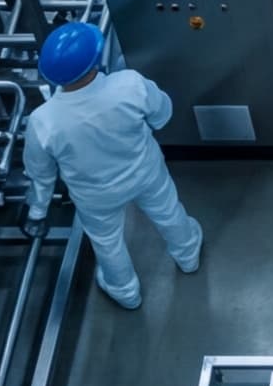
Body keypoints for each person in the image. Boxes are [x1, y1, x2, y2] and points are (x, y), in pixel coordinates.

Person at [22, 20, 202, 310]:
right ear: (95, 57)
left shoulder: (44, 121)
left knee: (107, 241)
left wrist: (38, 209)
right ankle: (188, 255)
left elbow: (40, 173)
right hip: (146, 172)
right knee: (168, 212)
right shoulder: (129, 84)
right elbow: (162, 113)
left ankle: (125, 291)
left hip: (95, 196)